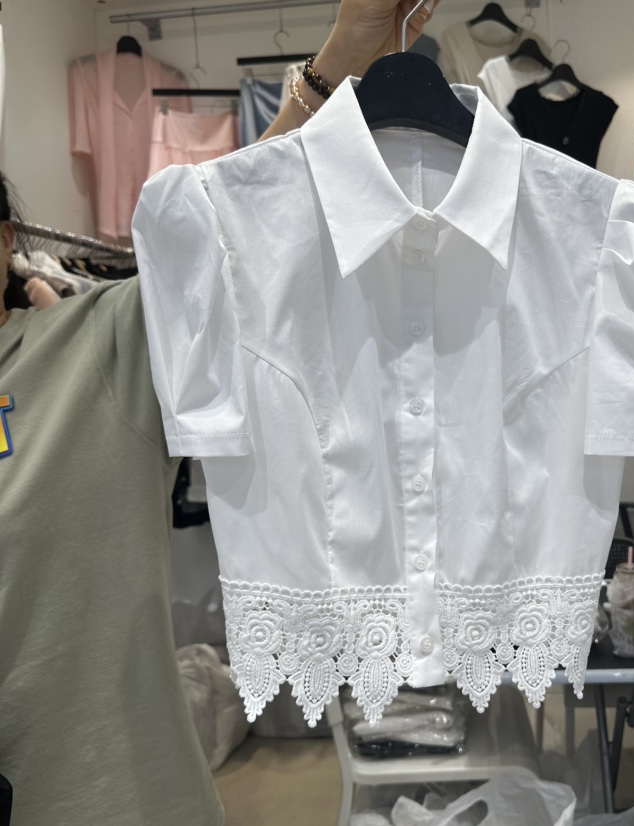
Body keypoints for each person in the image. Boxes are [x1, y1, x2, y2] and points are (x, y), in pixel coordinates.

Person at [0, 0, 437, 822]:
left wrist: (341, 56)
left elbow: (237, 226)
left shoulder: (96, 349)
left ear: (4, 240)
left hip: (115, 801)